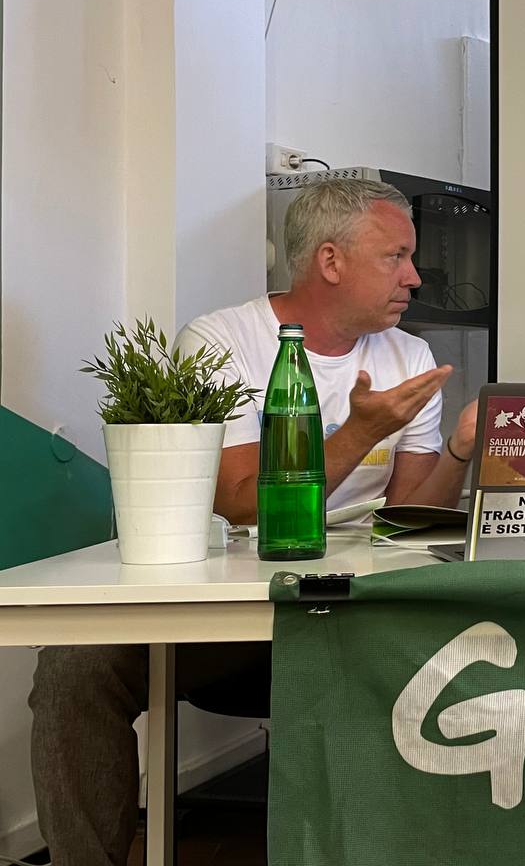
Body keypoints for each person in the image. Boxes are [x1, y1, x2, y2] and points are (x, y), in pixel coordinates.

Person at [28, 179, 478, 866]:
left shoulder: (407, 356)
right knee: (73, 667)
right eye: (397, 257)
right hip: (231, 609)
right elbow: (240, 499)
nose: (414, 277)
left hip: (358, 607)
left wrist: (459, 452)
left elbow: (408, 521)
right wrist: (358, 432)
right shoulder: (221, 340)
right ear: (330, 261)